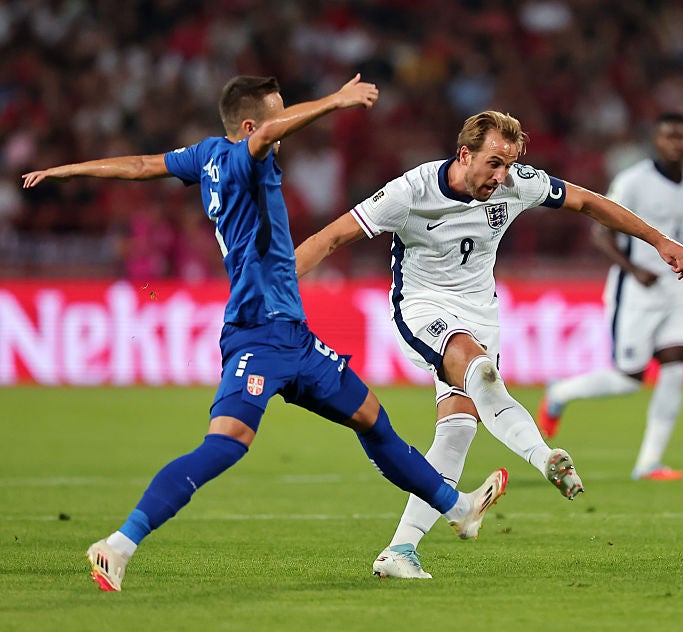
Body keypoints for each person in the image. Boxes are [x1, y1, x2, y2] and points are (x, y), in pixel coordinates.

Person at [21, 75, 507, 592]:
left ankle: (458, 508)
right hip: (260, 332)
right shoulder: (240, 158)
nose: (284, 127)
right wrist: (336, 102)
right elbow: (261, 135)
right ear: (252, 126)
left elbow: (142, 166)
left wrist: (67, 171)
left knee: (371, 417)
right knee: (227, 443)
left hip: (293, 336)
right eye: (277, 118)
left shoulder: (205, 154)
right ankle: (119, 544)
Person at [294, 110, 683, 578]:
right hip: (423, 308)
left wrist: (657, 240)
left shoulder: (514, 183)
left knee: (459, 428)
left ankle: (400, 551)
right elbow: (332, 236)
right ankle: (543, 456)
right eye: (494, 163)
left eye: (509, 164)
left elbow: (586, 202)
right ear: (464, 154)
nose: (502, 175)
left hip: (482, 310)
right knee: (480, 371)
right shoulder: (410, 191)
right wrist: (272, 285)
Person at [536, 112, 683, 481]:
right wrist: (634, 271)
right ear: (655, 141)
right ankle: (560, 393)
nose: (676, 143)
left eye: (681, 136)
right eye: (668, 136)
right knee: (629, 378)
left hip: (675, 289)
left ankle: (648, 463)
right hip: (635, 290)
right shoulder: (633, 182)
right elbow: (600, 234)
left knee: (676, 364)